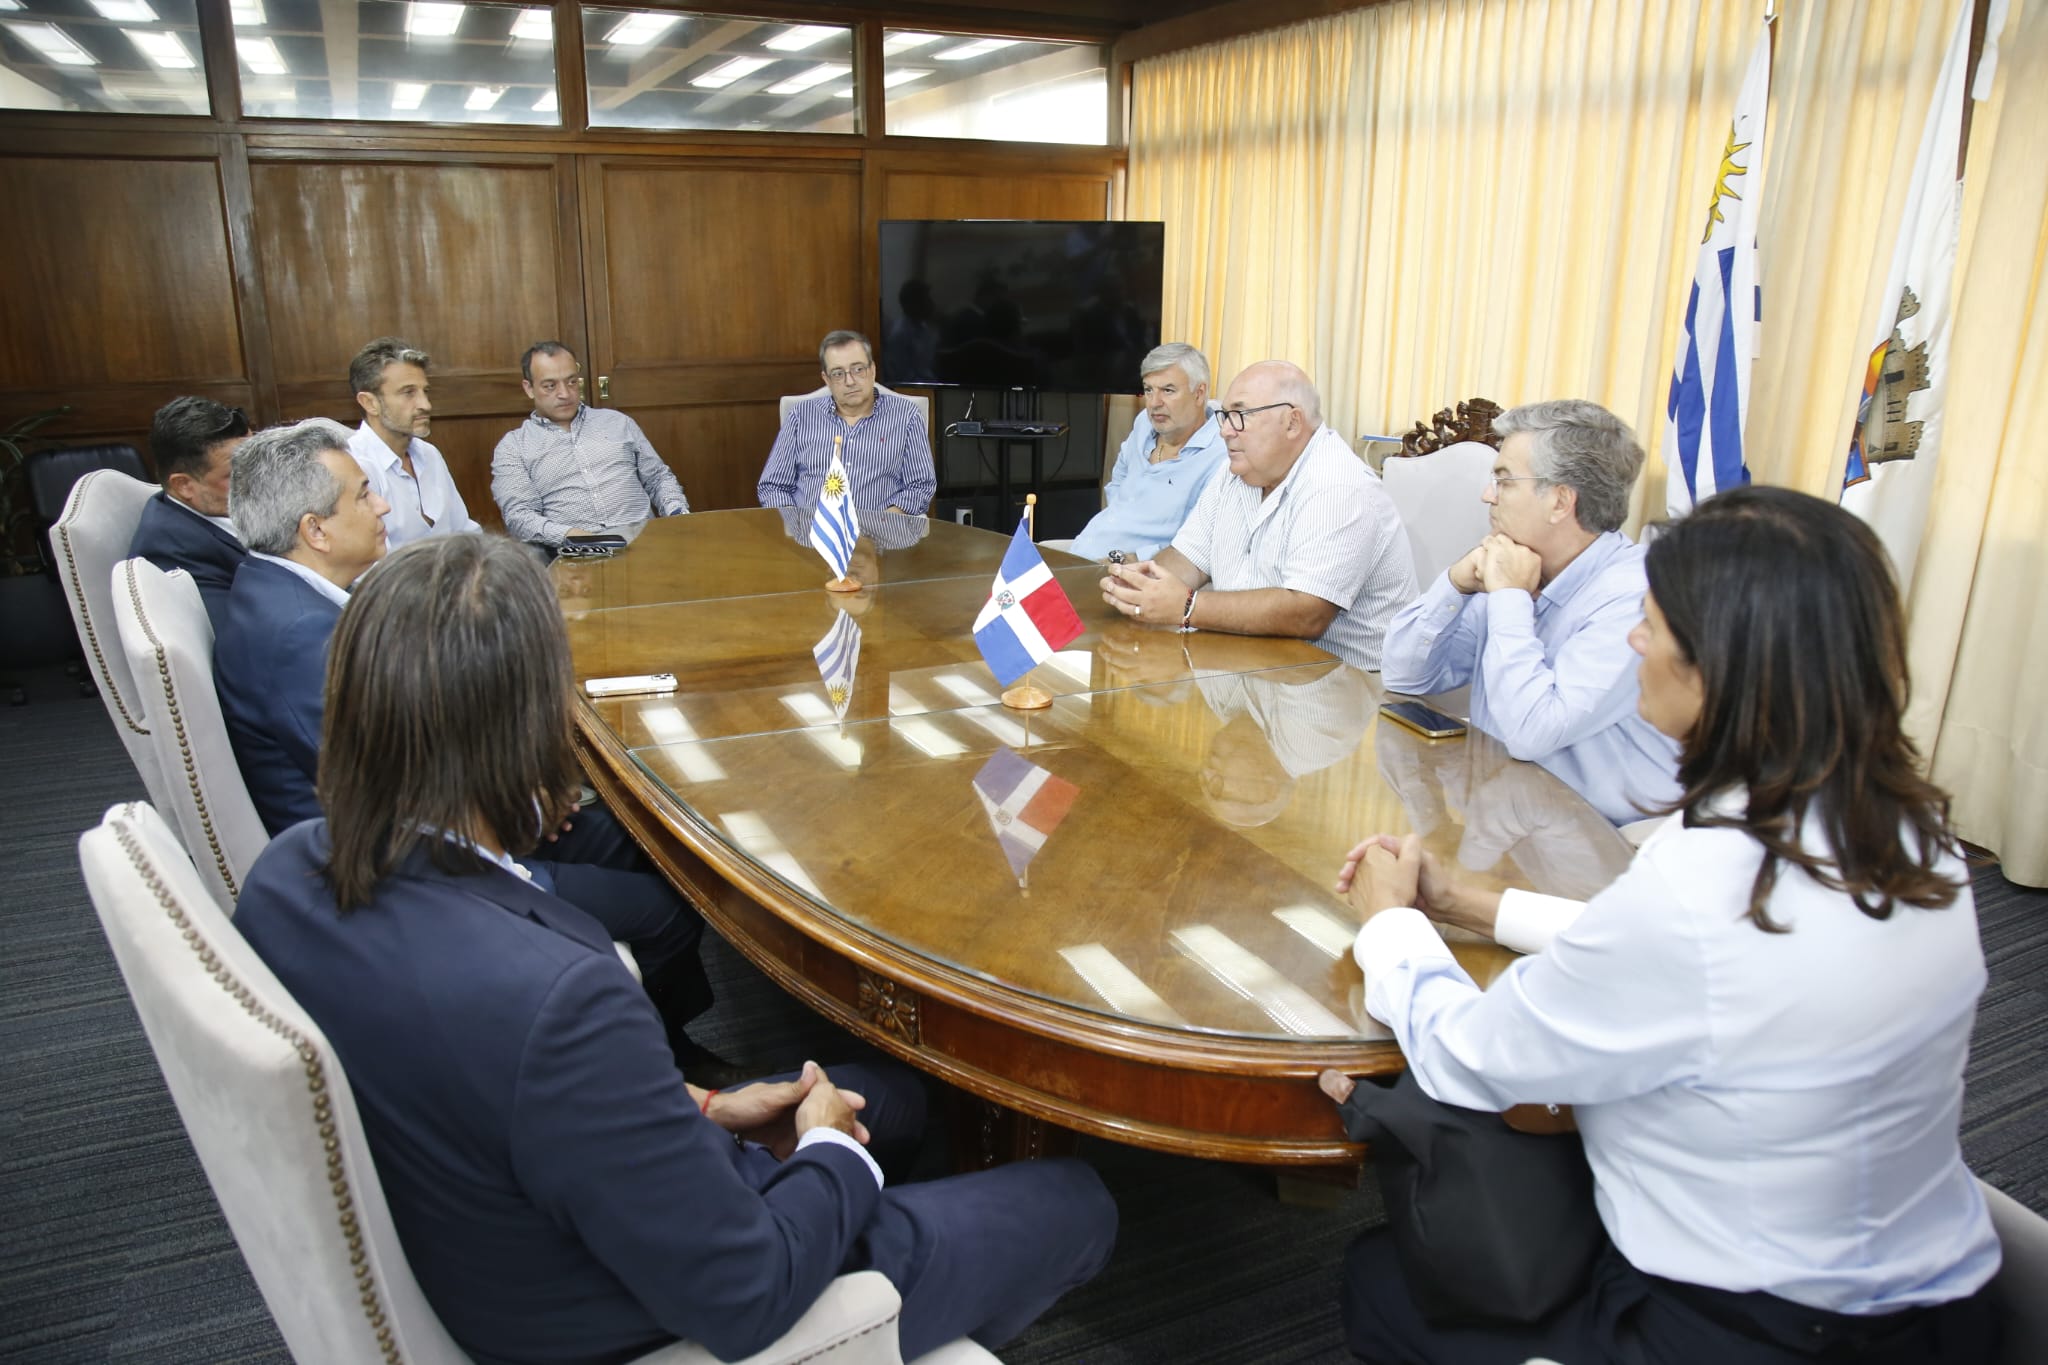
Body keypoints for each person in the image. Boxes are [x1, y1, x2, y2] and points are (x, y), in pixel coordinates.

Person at [230, 533, 1118, 1365]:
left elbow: (504, 1091)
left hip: (523, 1198)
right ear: (530, 722)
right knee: (1074, 1200)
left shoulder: (283, 875)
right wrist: (823, 1155)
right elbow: (743, 1292)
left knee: (897, 1094)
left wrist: (698, 1107)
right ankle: (879, 1316)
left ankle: (870, 1214)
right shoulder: (560, 999)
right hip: (638, 1308)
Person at [1326, 486, 2001, 1364]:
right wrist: (1472, 905)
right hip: (1944, 1303)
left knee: (1381, 1285)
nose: (1635, 642)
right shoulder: (1909, 829)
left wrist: (1390, 926)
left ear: (1720, 664)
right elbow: (1710, 967)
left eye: (1651, 623)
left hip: (1748, 1331)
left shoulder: (1707, 880)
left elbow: (1472, 1059)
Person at [215, 417, 718, 1064]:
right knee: (666, 905)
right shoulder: (296, 639)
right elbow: (396, 792)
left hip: (416, 831)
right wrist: (525, 805)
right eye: (364, 494)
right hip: (406, 875)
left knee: (642, 837)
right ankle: (653, 1065)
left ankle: (668, 1036)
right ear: (314, 530)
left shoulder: (279, 595)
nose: (383, 504)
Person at [1379, 400, 1679, 825]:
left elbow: (1530, 732)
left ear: (1560, 501)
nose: (1487, 495)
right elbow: (1404, 675)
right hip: (1507, 814)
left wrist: (1509, 600)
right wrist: (1455, 583)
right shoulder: (1519, 565)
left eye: (1503, 481)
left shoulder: (1634, 599)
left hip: (1599, 843)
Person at [1099, 361, 1417, 671]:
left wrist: (1186, 606)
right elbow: (1187, 559)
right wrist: (1138, 585)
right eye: (1224, 415)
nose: (1224, 430)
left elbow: (1305, 612)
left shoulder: (1338, 485)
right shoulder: (1236, 471)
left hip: (1343, 687)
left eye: (1238, 416)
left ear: (1292, 422)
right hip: (1249, 669)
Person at [491, 340, 690, 547]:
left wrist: (677, 512)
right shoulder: (513, 447)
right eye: (550, 386)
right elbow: (519, 516)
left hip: (645, 543)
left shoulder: (617, 422)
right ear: (529, 388)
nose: (565, 394)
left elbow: (658, 478)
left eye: (571, 382)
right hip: (577, 554)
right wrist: (572, 535)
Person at [1069, 342, 1228, 563]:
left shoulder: (1221, 454)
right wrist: (1123, 515)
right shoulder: (1144, 422)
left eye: (1168, 390)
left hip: (1134, 575)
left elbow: (1201, 542)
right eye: (1148, 390)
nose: (1154, 403)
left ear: (1199, 393)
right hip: (1082, 550)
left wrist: (1131, 559)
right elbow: (1119, 477)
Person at [758, 330, 936, 515]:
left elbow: (920, 486)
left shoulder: (906, 416)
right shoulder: (801, 416)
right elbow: (773, 486)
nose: (849, 381)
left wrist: (885, 522)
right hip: (810, 534)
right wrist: (794, 523)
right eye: (837, 373)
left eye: (858, 369)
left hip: (879, 536)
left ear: (872, 370)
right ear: (826, 379)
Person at [346, 337, 481, 548]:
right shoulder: (353, 465)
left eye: (425, 392)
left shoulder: (430, 454)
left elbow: (464, 531)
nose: (425, 405)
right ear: (370, 403)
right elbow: (369, 565)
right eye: (408, 393)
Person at [127, 396, 252, 622]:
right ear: (184, 485)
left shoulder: (223, 507)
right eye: (237, 473)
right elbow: (241, 636)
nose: (259, 478)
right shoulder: (172, 552)